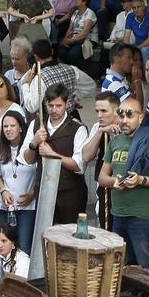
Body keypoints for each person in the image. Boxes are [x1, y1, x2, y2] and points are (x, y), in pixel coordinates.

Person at [98, 96, 149, 265]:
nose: (124, 120)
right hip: (118, 214)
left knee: (145, 269)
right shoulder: (115, 142)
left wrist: (141, 180)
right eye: (121, 114)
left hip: (143, 218)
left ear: (140, 118)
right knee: (120, 269)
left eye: (130, 115)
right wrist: (113, 182)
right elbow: (102, 177)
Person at [25, 85, 88, 226]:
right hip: (43, 192)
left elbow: (79, 165)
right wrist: (33, 143)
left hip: (70, 195)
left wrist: (52, 154)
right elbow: (27, 159)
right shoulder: (36, 124)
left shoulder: (78, 128)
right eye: (50, 105)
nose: (54, 110)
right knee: (45, 238)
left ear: (66, 104)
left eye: (58, 105)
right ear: (45, 104)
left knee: (70, 239)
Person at [0, 110, 36, 253]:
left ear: (21, 127)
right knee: (6, 245)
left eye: (12, 126)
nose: (8, 129)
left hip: (27, 205)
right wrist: (2, 190)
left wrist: (33, 193)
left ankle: (22, 275)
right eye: (5, 126)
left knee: (23, 245)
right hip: (6, 207)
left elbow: (41, 173)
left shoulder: (31, 147)